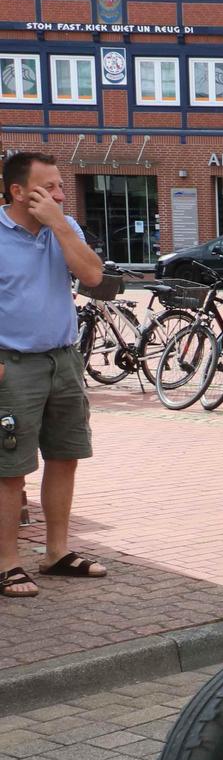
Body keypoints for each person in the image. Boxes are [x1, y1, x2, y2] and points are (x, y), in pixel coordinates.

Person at [0, 150, 107, 599]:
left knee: (65, 456)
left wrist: (60, 223)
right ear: (18, 191)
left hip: (62, 359)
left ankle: (56, 553)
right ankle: (7, 564)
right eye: (50, 188)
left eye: (62, 186)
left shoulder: (64, 228)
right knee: (10, 469)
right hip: (13, 365)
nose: (61, 195)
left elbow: (93, 276)